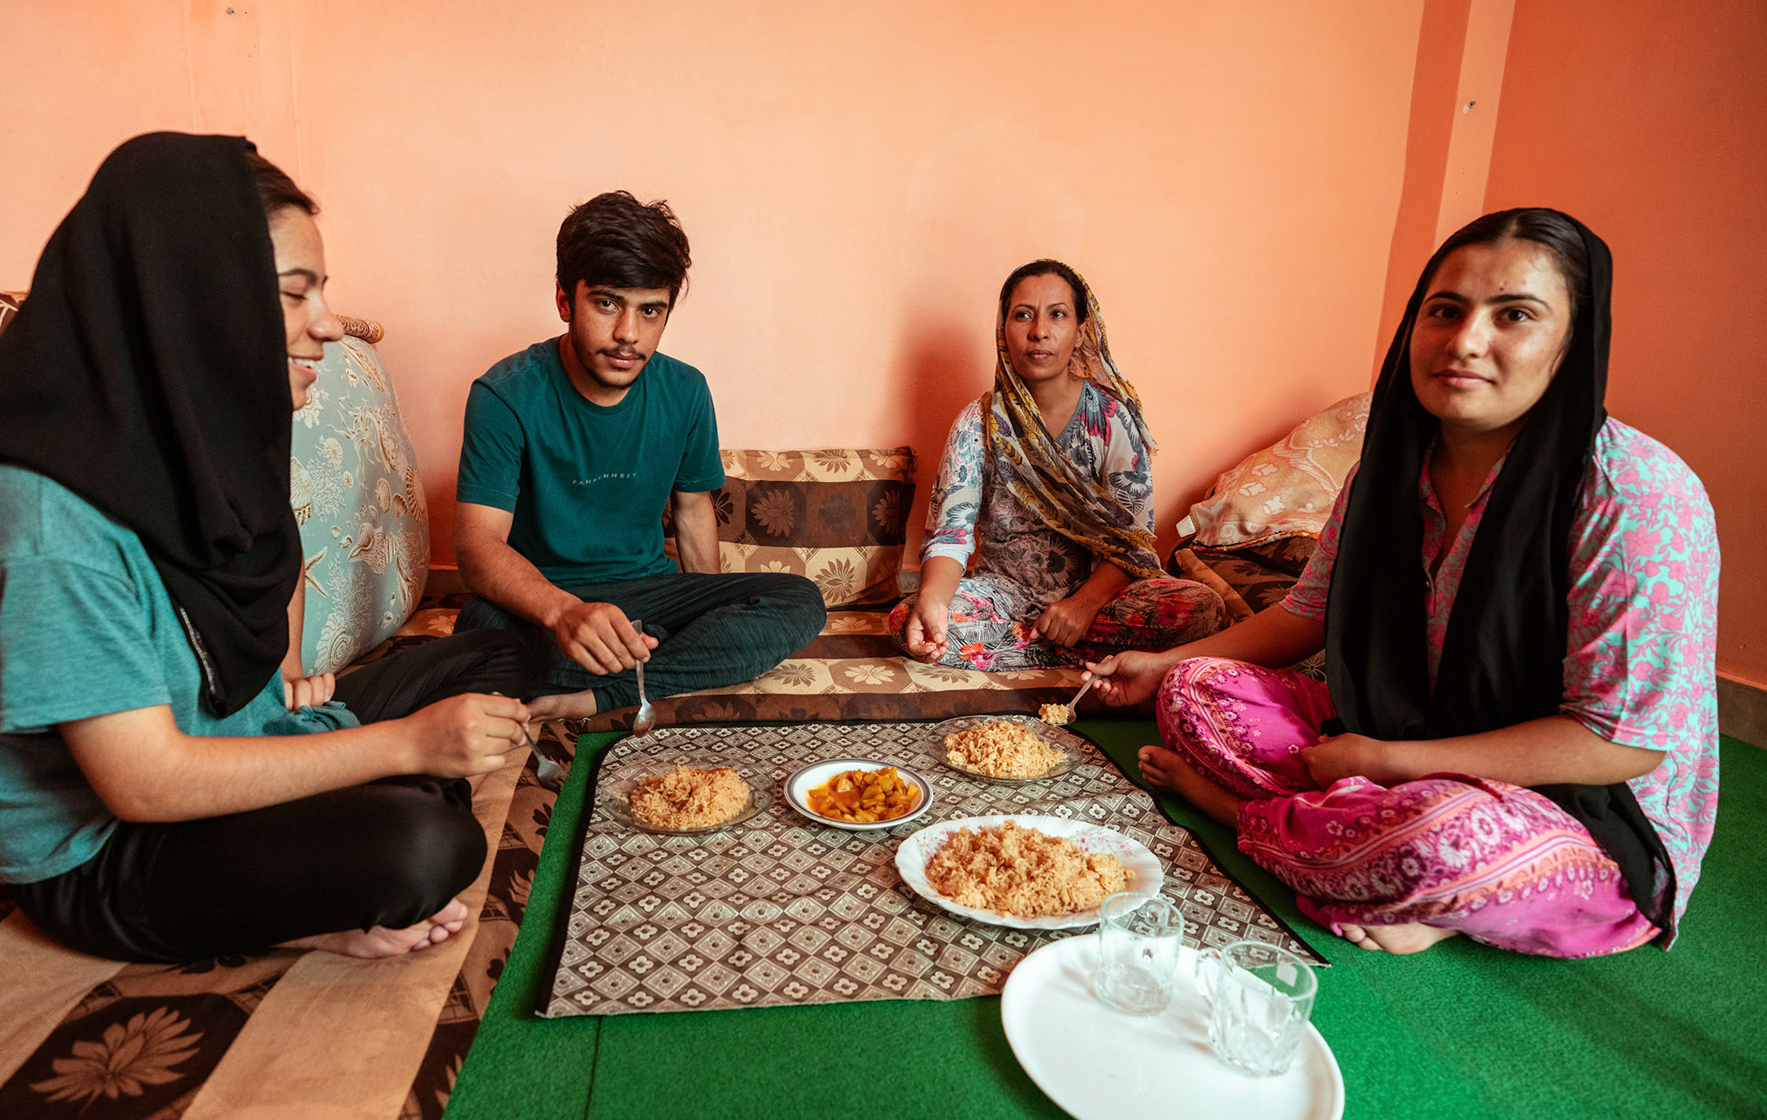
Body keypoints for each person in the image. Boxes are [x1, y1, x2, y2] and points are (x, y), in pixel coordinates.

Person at [0, 132, 538, 963]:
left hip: (249, 735)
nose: (329, 326)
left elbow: (273, 561)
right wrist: (408, 744)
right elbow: (142, 781)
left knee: (493, 658)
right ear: (191, 299)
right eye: (294, 296)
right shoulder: (35, 513)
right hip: (107, 853)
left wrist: (294, 678)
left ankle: (366, 805)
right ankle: (317, 906)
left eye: (320, 293)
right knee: (427, 846)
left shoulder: (187, 441)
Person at [1087, 209, 1719, 958]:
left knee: (1441, 838)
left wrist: (1385, 763)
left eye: (1514, 315)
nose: (1465, 341)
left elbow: (1622, 745)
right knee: (1197, 690)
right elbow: (1307, 612)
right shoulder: (1383, 473)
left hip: (1576, 812)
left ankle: (1258, 818)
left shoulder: (1635, 493)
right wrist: (1162, 668)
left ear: (1572, 343)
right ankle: (1364, 848)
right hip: (1400, 732)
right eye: (1445, 311)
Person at [452, 191, 825, 721]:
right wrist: (563, 612)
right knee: (479, 633)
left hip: (649, 593)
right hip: (544, 601)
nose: (628, 334)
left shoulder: (686, 390)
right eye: (607, 303)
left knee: (800, 601)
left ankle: (601, 690)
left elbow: (693, 513)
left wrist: (708, 611)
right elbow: (476, 546)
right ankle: (651, 665)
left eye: (650, 310)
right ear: (565, 300)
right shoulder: (505, 395)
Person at [891, 259, 1223, 671]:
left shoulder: (1111, 420)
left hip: (1099, 597)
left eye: (1057, 314)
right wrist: (934, 601)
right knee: (911, 619)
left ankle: (1024, 653)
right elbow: (951, 533)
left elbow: (1132, 542)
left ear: (1081, 329)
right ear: (1003, 328)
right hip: (1005, 596)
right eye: (1023, 315)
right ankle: (1095, 659)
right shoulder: (979, 422)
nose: (1039, 332)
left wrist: (1082, 606)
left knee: (1202, 609)